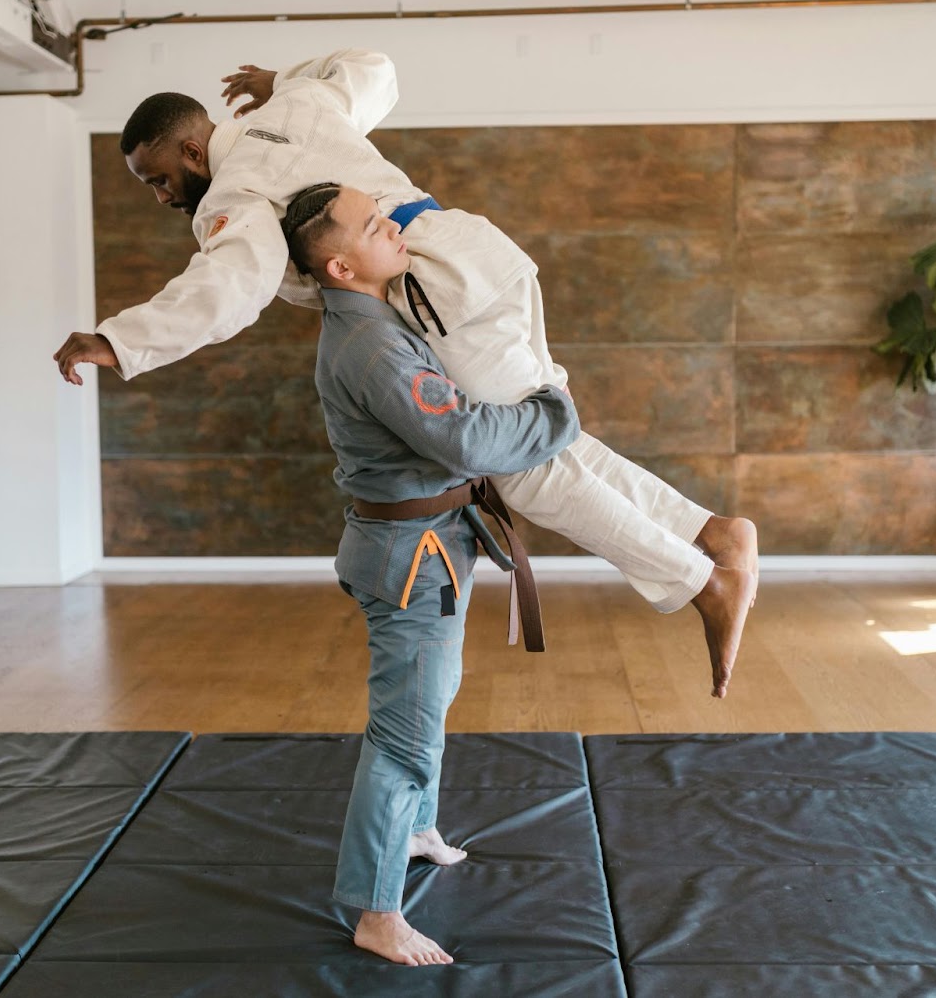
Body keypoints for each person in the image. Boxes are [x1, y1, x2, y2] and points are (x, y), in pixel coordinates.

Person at [53, 49, 757, 696]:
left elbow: (231, 285)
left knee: (520, 466)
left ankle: (700, 583)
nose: (164, 196)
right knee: (549, 441)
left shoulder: (233, 192)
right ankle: (711, 533)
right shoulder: (295, 108)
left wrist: (118, 341)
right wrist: (289, 80)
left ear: (192, 148)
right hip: (482, 256)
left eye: (161, 179)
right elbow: (372, 70)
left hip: (436, 290)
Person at [295, 182, 580, 965]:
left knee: (429, 701)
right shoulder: (372, 345)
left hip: (420, 545)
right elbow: (460, 437)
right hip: (410, 561)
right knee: (403, 734)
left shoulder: (375, 317)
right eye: (373, 222)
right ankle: (374, 911)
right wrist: (554, 412)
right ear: (342, 262)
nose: (394, 224)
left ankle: (414, 828)